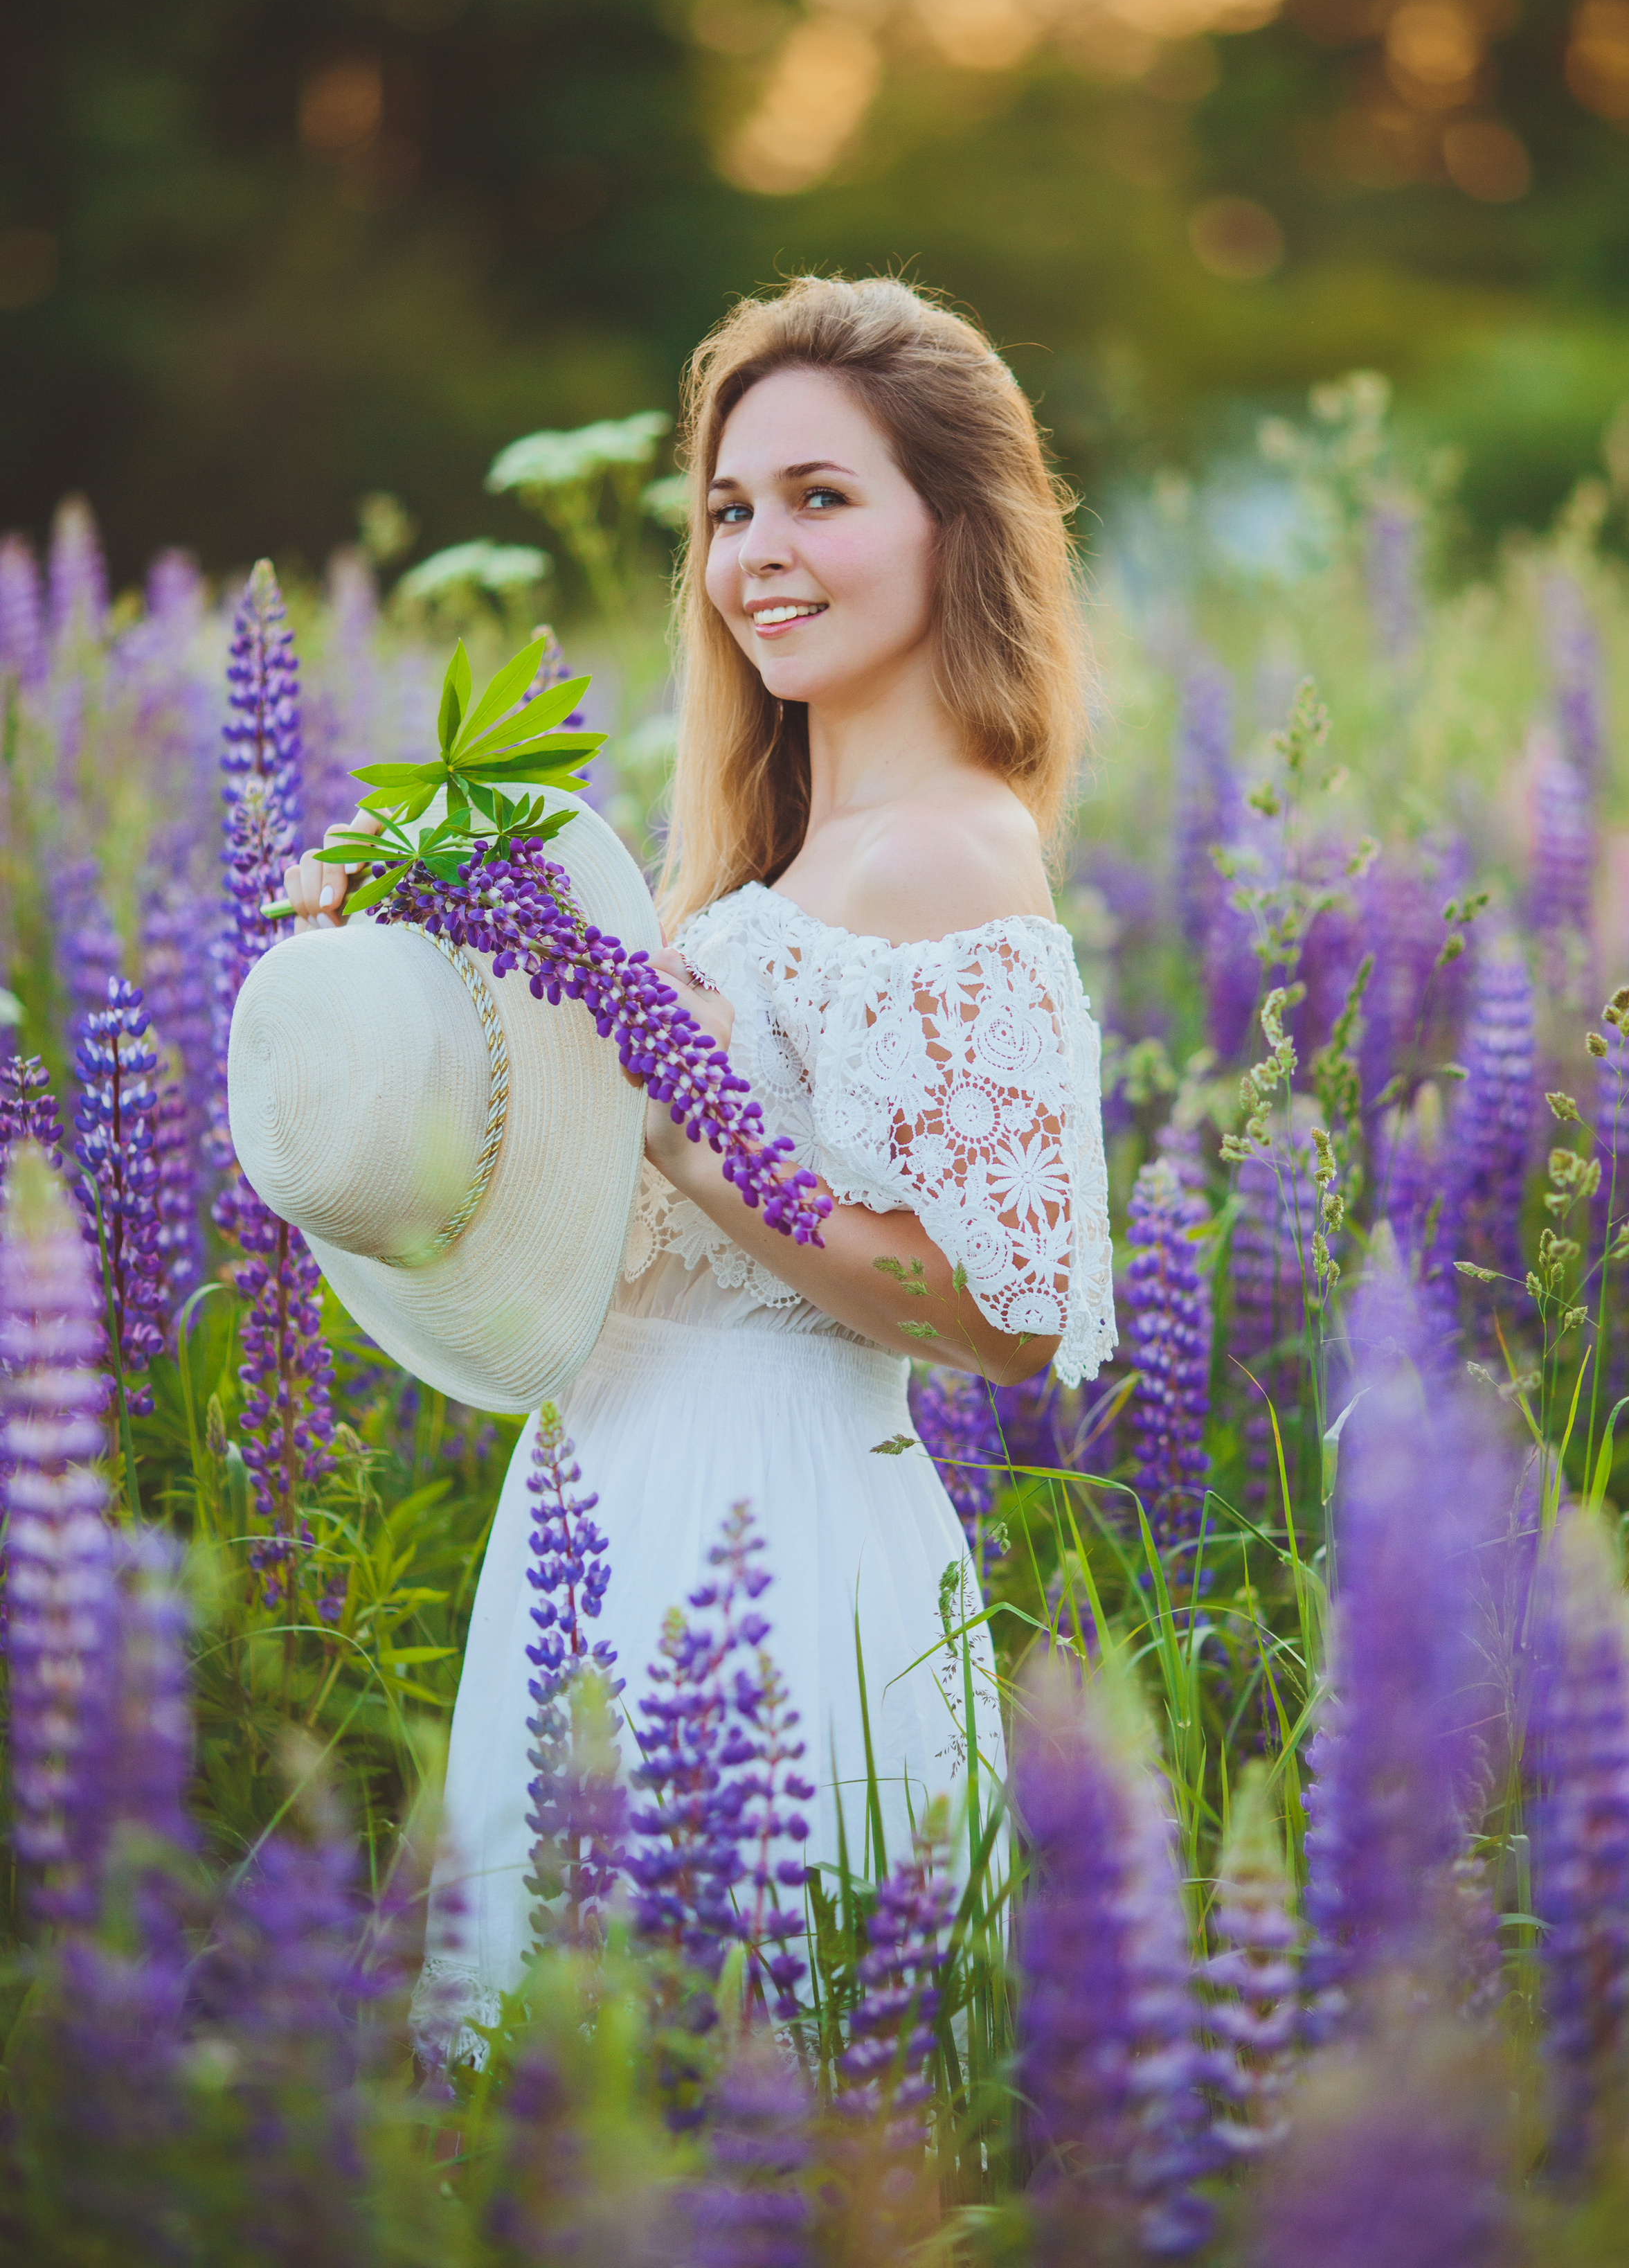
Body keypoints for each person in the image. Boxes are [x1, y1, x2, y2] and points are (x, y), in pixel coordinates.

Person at [282, 273, 1115, 2040]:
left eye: (824, 498)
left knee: (731, 2096)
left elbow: (1001, 1309)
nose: (759, 554)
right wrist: (413, 951)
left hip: (776, 1534)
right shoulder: (764, 867)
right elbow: (578, 1187)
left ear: (955, 530)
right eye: (731, 509)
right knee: (558, 2112)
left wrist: (698, 1133)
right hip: (602, 1507)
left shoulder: (950, 854)